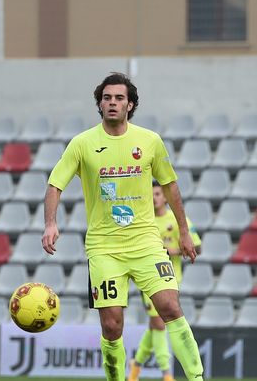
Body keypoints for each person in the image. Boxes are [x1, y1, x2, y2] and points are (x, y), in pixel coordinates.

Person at [42, 73, 204, 381]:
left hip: (145, 242)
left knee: (170, 306)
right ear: (99, 105)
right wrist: (50, 223)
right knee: (112, 325)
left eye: (118, 98)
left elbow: (169, 185)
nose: (112, 103)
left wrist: (183, 230)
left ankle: (197, 378)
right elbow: (55, 184)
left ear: (130, 105)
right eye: (106, 98)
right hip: (104, 248)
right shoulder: (82, 143)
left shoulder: (149, 140)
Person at [128, 181, 202, 381]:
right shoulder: (145, 221)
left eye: (159, 193)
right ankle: (166, 374)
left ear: (165, 196)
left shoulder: (178, 220)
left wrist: (175, 250)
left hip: (171, 278)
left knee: (156, 324)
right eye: (151, 194)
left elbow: (197, 246)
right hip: (148, 279)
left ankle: (135, 368)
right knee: (159, 324)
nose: (155, 198)